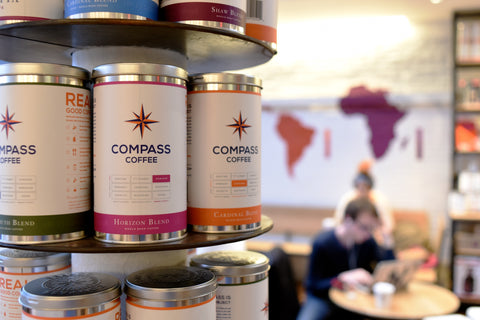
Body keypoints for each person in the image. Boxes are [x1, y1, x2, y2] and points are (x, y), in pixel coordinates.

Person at [297, 198, 395, 320]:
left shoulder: (367, 241)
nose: (368, 233)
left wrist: (388, 242)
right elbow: (313, 286)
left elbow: (389, 269)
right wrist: (342, 278)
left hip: (357, 298)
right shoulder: (322, 243)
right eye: (364, 227)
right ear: (348, 220)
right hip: (323, 298)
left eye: (371, 228)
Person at [333, 159, 394, 239]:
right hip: (351, 237)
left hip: (373, 237)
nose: (362, 189)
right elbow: (338, 222)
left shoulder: (379, 200)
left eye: (365, 186)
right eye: (360, 186)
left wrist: (379, 233)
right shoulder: (348, 199)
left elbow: (388, 225)